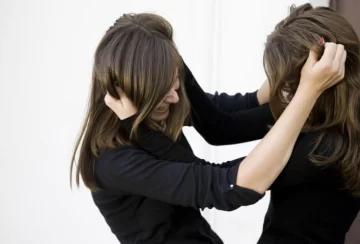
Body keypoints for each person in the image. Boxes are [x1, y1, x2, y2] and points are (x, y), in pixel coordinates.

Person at [71, 12, 346, 244]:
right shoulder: (111, 163)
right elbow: (231, 185)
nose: (176, 98)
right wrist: (307, 92)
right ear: (129, 94)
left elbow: (220, 125)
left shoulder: (162, 91)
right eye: (162, 96)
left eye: (176, 82)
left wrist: (292, 62)